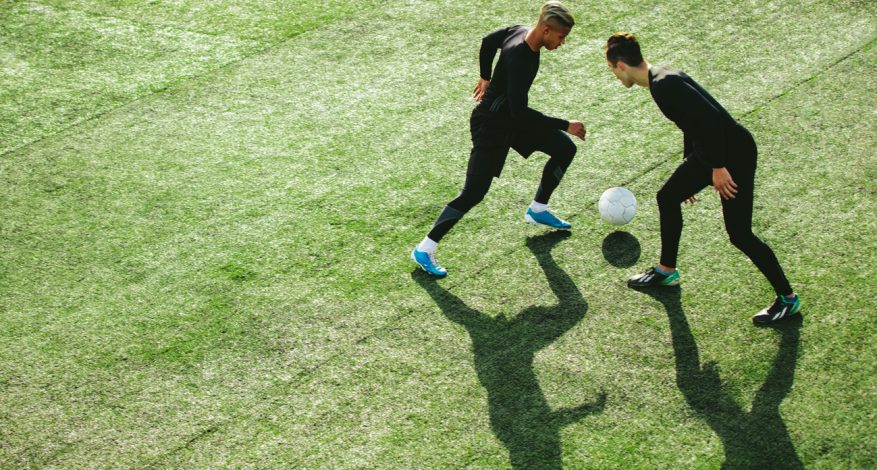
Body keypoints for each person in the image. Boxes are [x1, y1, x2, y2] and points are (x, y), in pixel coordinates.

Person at [604, 32, 800, 324]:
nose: (615, 78)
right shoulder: (662, 76)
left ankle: (787, 299)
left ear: (620, 65)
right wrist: (689, 167)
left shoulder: (663, 85)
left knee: (739, 233)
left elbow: (710, 120)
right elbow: (691, 123)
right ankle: (666, 271)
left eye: (611, 71)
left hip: (734, 154)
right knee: (668, 197)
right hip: (711, 152)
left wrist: (717, 167)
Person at [411, 1, 586, 278]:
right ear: (546, 29)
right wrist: (566, 124)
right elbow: (520, 112)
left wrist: (485, 76)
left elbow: (487, 42)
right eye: (561, 37)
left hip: (511, 120)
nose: (562, 43)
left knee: (564, 148)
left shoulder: (520, 32)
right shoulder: (521, 57)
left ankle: (538, 209)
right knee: (474, 193)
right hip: (492, 126)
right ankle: (424, 248)